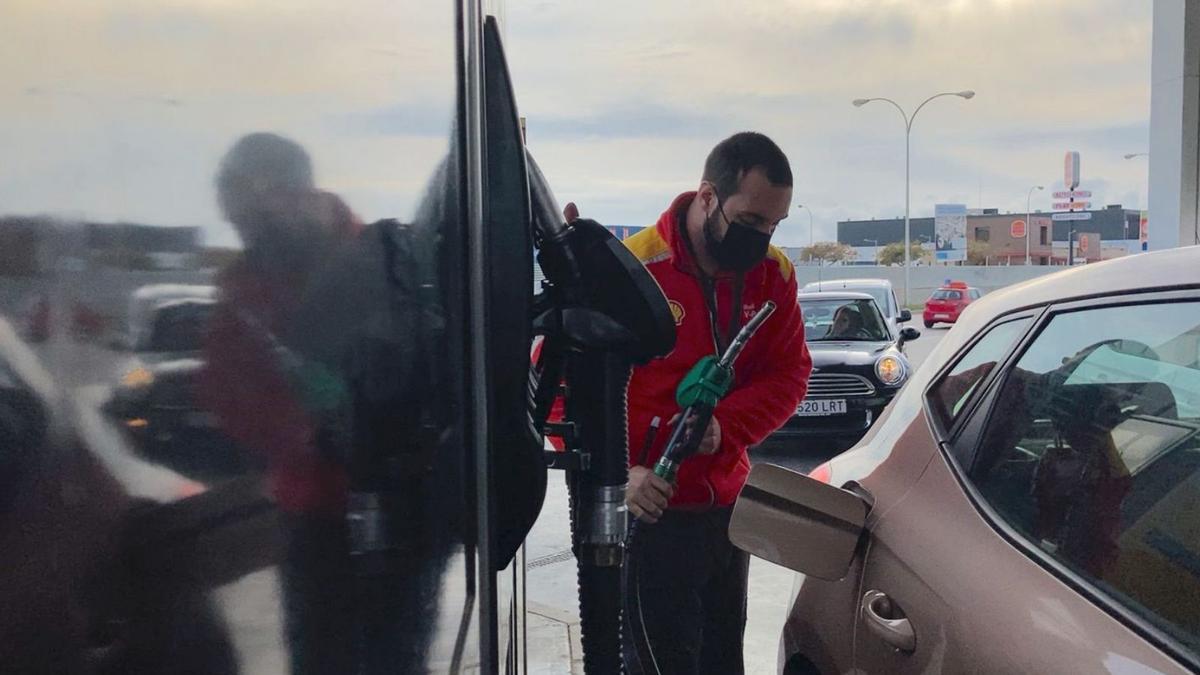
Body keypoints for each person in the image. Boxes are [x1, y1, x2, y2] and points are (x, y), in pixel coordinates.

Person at [617, 132, 812, 674]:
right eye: (750, 221)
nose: (763, 237)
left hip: (725, 516)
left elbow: (790, 374)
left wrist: (724, 427)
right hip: (646, 515)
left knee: (722, 663)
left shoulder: (773, 274)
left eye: (774, 224)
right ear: (707, 196)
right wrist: (617, 476)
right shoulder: (632, 271)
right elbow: (559, 387)